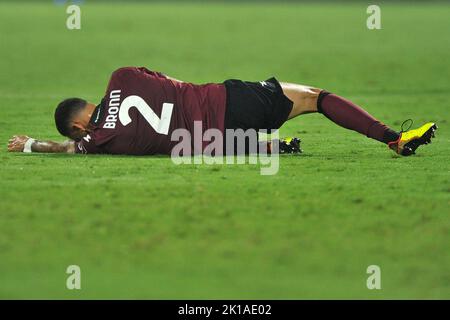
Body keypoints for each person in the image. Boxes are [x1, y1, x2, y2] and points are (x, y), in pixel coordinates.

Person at [7, 67, 437, 156]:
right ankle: (393, 139)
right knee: (315, 97)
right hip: (226, 100)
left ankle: (272, 148)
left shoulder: (100, 142)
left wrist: (30, 146)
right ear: (87, 105)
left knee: (200, 143)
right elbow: (171, 82)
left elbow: (67, 149)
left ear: (80, 125)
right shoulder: (122, 77)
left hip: (214, 141)